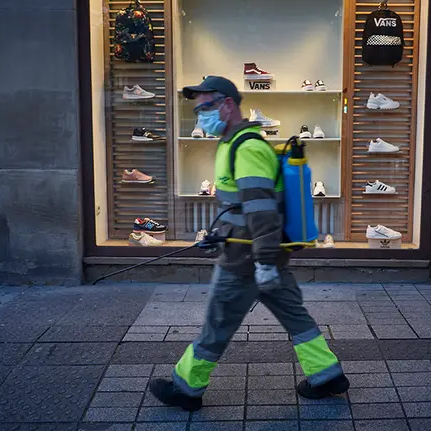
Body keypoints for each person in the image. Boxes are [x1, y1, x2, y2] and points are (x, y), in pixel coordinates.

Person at [148, 76, 349, 412]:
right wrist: (221, 236)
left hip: (246, 262)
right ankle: (328, 376)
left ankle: (186, 389)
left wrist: (264, 262)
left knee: (217, 324)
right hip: (258, 254)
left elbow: (261, 212)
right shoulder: (229, 144)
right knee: (297, 318)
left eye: (205, 107)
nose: (200, 115)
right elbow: (239, 208)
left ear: (227, 104)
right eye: (197, 109)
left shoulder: (248, 148)